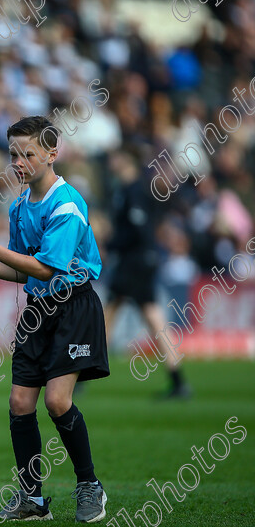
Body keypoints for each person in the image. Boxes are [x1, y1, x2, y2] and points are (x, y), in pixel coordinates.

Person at [0, 116, 109, 523]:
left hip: (73, 307)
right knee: (20, 403)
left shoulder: (68, 203)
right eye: (13, 155)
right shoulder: (20, 206)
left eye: (28, 154)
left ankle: (89, 485)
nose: (19, 162)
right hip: (37, 312)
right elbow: (22, 271)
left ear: (52, 154)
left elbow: (46, 269)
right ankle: (32, 499)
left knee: (58, 402)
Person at [104, 148, 190, 399]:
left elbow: (138, 230)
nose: (111, 160)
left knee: (108, 315)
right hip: (141, 260)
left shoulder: (134, 190)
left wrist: (111, 245)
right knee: (153, 318)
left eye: (116, 155)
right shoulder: (132, 189)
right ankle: (177, 379)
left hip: (134, 262)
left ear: (126, 160)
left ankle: (81, 375)